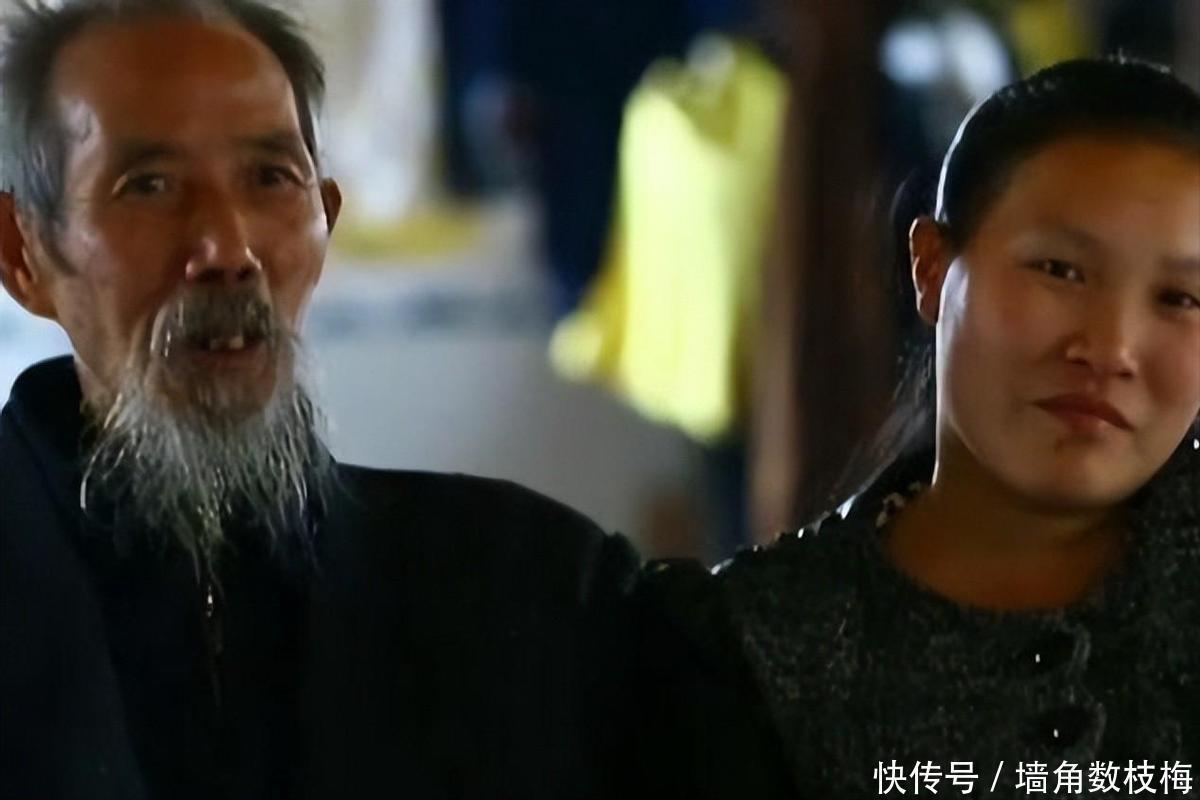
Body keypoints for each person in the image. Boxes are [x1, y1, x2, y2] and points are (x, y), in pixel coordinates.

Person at [0, 2, 637, 798]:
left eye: (271, 178)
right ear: (24, 253)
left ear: (326, 219)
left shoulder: (518, 580)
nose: (228, 249)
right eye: (150, 186)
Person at [635, 58, 1200, 798]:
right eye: (1060, 270)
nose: (1111, 349)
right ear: (931, 268)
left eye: (1180, 299)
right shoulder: (755, 649)